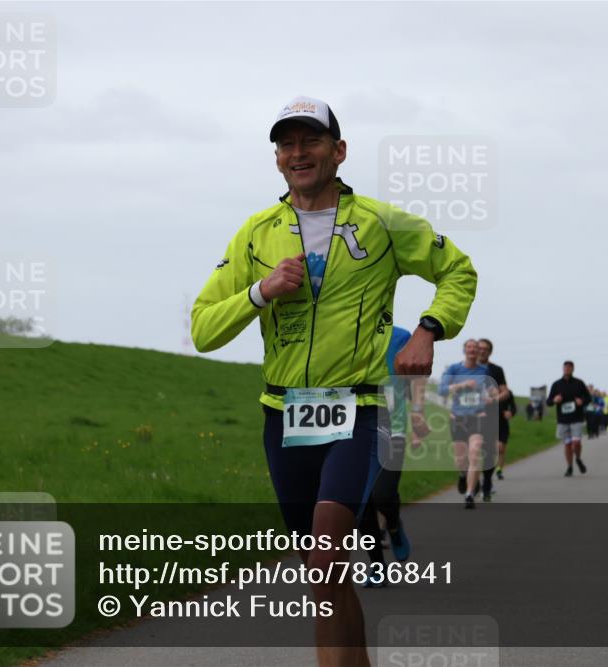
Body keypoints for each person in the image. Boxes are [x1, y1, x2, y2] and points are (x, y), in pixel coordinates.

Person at [190, 96, 477, 667]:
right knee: (324, 578)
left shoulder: (381, 222)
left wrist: (427, 330)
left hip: (360, 407)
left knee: (324, 558)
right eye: (287, 144)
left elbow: (457, 270)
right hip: (285, 416)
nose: (299, 153)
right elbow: (202, 328)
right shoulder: (256, 234)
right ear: (277, 160)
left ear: (338, 151)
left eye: (311, 141)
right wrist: (260, 292)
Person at [358, 326, 430, 586]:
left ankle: (394, 525)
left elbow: (417, 378)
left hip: (393, 427)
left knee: (383, 495)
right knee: (362, 503)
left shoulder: (400, 337)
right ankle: (376, 566)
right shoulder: (341, 330)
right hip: (353, 428)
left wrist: (418, 411)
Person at [440, 339, 492, 509]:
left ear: (479, 352)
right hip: (457, 418)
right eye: (469, 347)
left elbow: (491, 390)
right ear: (464, 350)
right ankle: (463, 475)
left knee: (475, 452)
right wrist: (462, 384)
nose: (472, 350)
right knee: (460, 460)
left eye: (475, 348)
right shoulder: (454, 369)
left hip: (477, 417)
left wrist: (490, 397)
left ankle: (469, 494)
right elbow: (442, 390)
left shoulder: (484, 371)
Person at [477, 338, 515, 484]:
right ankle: (471, 480)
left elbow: (505, 392)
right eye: (480, 348)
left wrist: (494, 399)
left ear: (490, 352)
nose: (482, 351)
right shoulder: (468, 369)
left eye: (485, 349)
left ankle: (486, 480)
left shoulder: (496, 370)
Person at [546, 361, 591, 477]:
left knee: (576, 442)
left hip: (577, 418)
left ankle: (578, 458)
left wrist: (582, 401)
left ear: (573, 369)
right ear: (562, 369)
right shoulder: (556, 384)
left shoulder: (579, 383)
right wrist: (555, 400)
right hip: (563, 419)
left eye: (569, 368)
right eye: (565, 368)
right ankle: (570, 467)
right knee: (567, 444)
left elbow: (588, 398)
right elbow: (548, 402)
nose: (567, 369)